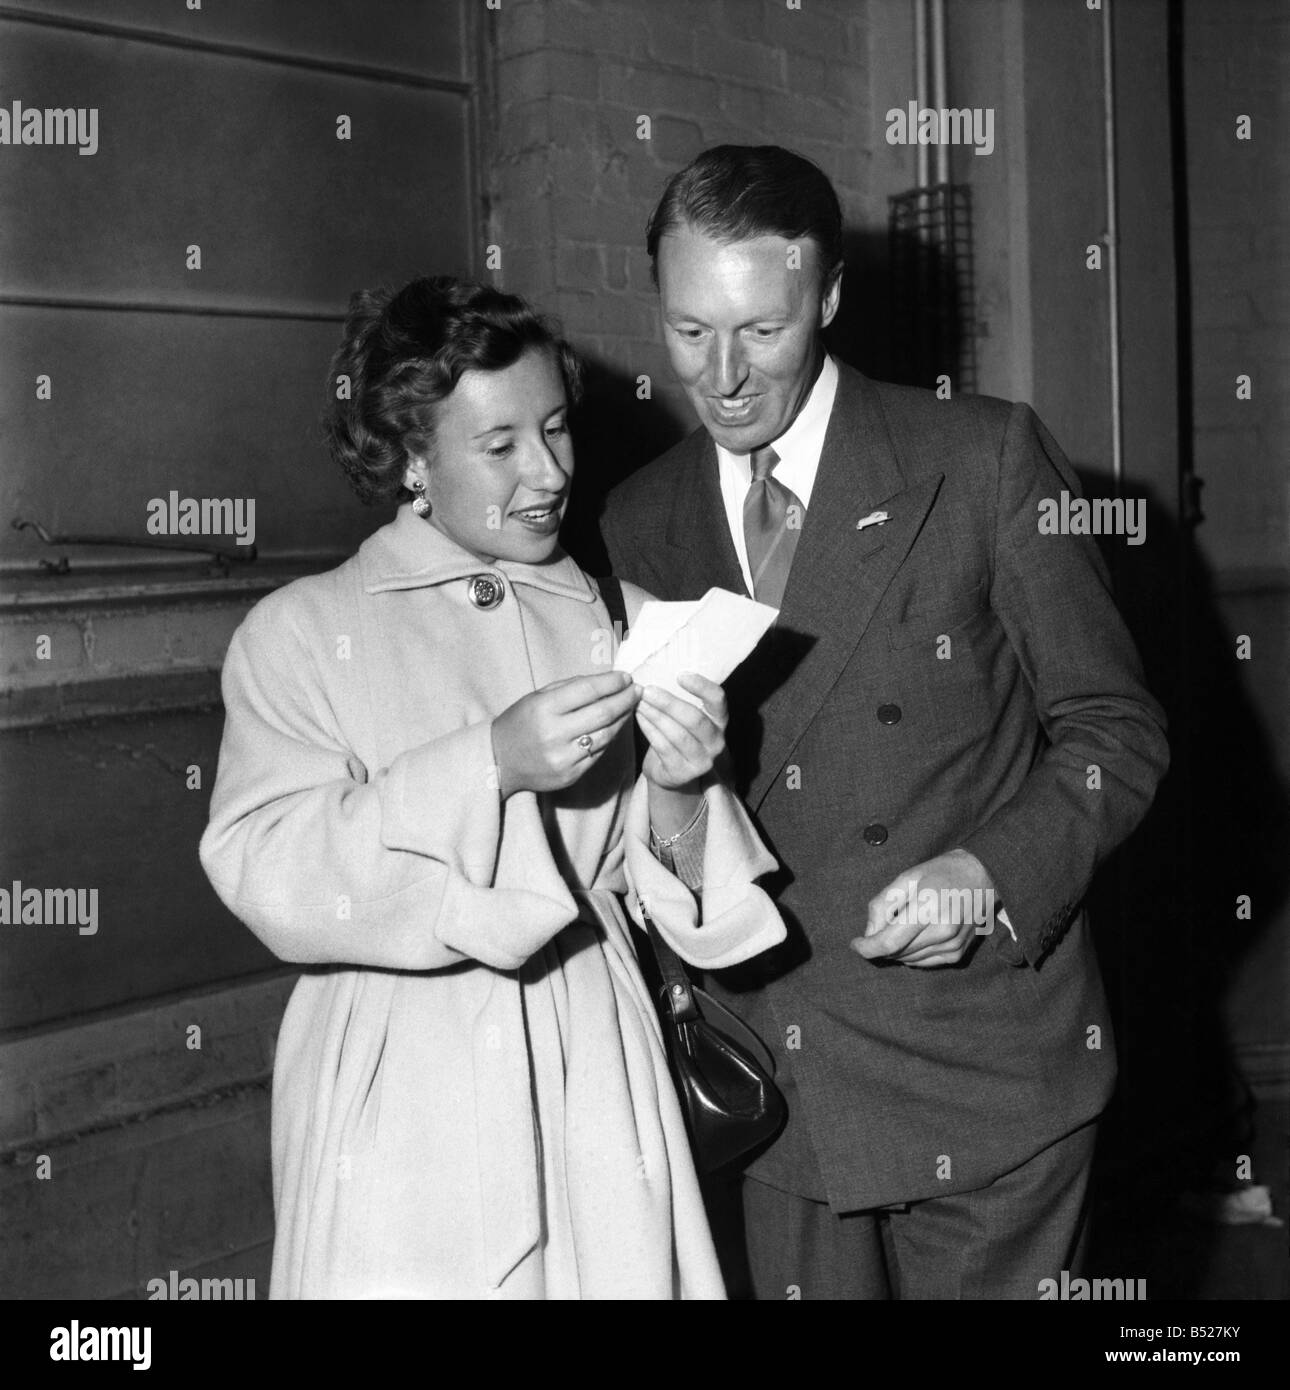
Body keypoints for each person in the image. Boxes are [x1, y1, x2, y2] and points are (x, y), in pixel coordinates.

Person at [598, 145, 1171, 1299]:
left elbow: (1115, 732)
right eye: (689, 331)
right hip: (776, 1088)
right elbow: (651, 825)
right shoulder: (636, 516)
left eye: (762, 329)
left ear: (831, 298)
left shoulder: (982, 457)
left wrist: (989, 870)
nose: (724, 378)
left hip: (988, 1072)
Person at [198, 275, 787, 1299]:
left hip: (593, 1055)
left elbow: (683, 901)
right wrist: (490, 765)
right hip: (396, 1078)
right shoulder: (302, 632)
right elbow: (269, 869)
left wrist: (687, 783)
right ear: (413, 457)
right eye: (501, 445)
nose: (551, 471)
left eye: (557, 429)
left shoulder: (622, 613)